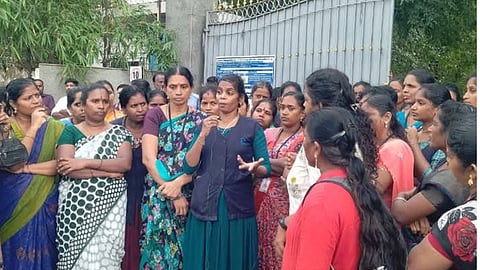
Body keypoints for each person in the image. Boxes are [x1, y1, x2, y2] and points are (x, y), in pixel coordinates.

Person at [280, 107, 407, 269]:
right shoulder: (355, 183)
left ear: (317, 148)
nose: (303, 144)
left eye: (305, 138)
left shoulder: (323, 200)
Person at [183, 74, 271, 270]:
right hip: (205, 205)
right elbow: (189, 166)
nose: (222, 97)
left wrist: (255, 168)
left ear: (240, 99)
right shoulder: (204, 125)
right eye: (220, 92)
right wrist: (202, 136)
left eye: (229, 93)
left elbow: (267, 168)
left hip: (237, 208)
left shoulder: (251, 128)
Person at [55, 83, 132, 269]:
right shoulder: (70, 131)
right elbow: (66, 167)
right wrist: (103, 172)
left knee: (107, 255)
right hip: (75, 207)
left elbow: (124, 164)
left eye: (105, 101)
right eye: (95, 101)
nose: (101, 106)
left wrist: (84, 162)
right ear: (83, 104)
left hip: (111, 207)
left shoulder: (120, 132)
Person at [283, 68, 378, 215]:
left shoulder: (328, 145)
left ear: (320, 106)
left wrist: (286, 224)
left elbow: (322, 200)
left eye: (307, 101)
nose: (304, 107)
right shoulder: (332, 136)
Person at [140, 66, 204, 269]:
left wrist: (181, 184)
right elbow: (149, 159)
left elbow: (202, 162)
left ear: (191, 88)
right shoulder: (155, 116)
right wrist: (173, 193)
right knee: (157, 248)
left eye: (183, 87)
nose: (178, 92)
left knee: (187, 249)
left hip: (190, 190)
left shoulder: (200, 119)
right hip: (160, 189)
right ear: (165, 88)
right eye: (173, 87)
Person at [0, 78, 64, 270]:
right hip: (11, 202)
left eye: (37, 95)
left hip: (46, 200)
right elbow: (14, 163)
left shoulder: (55, 127)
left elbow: (62, 163)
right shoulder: (5, 127)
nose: (36, 101)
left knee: (47, 253)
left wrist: (27, 169)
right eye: (28, 98)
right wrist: (35, 127)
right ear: (13, 104)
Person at [392, 101, 473, 250]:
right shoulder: (445, 160)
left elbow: (401, 214)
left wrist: (401, 197)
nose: (429, 130)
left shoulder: (453, 175)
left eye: (435, 124)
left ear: (450, 132)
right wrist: (417, 211)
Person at [408, 115, 477, 270]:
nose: (447, 163)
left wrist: (402, 196)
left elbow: (416, 265)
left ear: (472, 170)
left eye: (450, 157)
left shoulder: (463, 221)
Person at [254, 91, 304, 270]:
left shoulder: (304, 138)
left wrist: (261, 163)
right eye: (282, 108)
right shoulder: (269, 133)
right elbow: (278, 163)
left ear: (302, 113)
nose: (284, 112)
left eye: (291, 108)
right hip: (259, 198)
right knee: (258, 246)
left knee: (278, 250)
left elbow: (291, 167)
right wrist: (276, 165)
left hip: (284, 203)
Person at [111, 85, 149, 270]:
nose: (141, 109)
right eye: (134, 106)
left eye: (143, 104)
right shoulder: (113, 129)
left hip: (148, 194)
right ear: (124, 108)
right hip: (121, 196)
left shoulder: (154, 127)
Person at [361, 94, 414, 209]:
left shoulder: (395, 147)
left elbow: (374, 188)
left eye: (367, 116)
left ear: (386, 117)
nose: (363, 121)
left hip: (385, 219)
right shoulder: (374, 144)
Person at [406, 83, 451, 180]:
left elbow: (433, 178)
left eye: (421, 103)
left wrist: (414, 143)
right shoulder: (414, 130)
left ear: (437, 109)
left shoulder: (443, 139)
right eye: (414, 102)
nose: (413, 107)